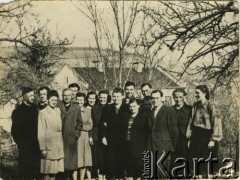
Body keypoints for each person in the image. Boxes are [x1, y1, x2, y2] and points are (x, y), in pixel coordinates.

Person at [186, 85, 222, 178]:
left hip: (207, 135)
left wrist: (213, 139)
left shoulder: (211, 105)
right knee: (195, 161)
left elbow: (216, 122)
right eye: (195, 92)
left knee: (206, 161)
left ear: (204, 93)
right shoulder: (195, 105)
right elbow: (191, 121)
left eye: (198, 93)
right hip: (196, 136)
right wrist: (189, 136)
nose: (195, 94)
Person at [11, 87, 41, 179]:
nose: (33, 97)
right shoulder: (18, 111)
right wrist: (21, 144)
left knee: (36, 170)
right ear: (24, 97)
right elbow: (14, 131)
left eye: (33, 95)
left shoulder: (35, 109)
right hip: (25, 147)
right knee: (26, 171)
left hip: (36, 145)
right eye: (31, 95)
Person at [101, 87, 130, 179]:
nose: (116, 98)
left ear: (122, 96)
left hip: (123, 141)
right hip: (111, 140)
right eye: (114, 96)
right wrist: (104, 137)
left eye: (118, 96)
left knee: (121, 163)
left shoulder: (127, 108)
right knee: (111, 163)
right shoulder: (108, 108)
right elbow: (103, 124)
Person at [149, 90, 179, 179]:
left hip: (164, 146)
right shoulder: (151, 111)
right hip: (153, 146)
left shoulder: (169, 110)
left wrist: (171, 146)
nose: (155, 100)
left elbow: (174, 131)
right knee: (155, 171)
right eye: (153, 98)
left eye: (157, 98)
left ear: (162, 98)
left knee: (162, 171)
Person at [38, 90, 64, 180]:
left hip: (58, 144)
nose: (54, 102)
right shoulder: (43, 112)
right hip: (48, 145)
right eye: (52, 100)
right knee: (47, 172)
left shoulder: (58, 110)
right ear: (48, 99)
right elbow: (41, 132)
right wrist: (43, 148)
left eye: (56, 100)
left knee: (54, 172)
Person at [58, 88, 83, 180]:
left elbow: (80, 123)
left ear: (72, 96)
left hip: (71, 139)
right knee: (60, 165)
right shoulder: (58, 105)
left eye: (69, 95)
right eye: (65, 95)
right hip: (60, 139)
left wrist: (76, 134)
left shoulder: (76, 107)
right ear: (62, 96)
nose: (67, 97)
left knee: (70, 165)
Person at [121, 98, 149, 179]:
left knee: (139, 170)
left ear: (138, 106)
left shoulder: (144, 116)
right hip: (128, 145)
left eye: (134, 106)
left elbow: (147, 132)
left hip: (139, 147)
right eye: (130, 106)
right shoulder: (126, 116)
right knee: (129, 169)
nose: (132, 108)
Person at [90, 90, 111, 179]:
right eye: (101, 97)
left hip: (107, 135)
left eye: (104, 97)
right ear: (98, 97)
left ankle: (105, 175)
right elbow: (95, 121)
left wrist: (108, 123)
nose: (102, 99)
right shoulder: (94, 108)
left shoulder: (110, 107)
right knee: (96, 158)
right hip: (96, 134)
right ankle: (97, 175)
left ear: (107, 98)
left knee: (106, 156)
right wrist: (90, 135)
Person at [171, 88, 192, 178]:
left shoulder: (190, 109)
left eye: (180, 97)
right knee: (174, 164)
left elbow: (193, 125)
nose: (178, 99)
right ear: (173, 98)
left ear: (184, 97)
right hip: (173, 141)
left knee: (186, 163)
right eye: (176, 97)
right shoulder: (170, 110)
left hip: (185, 141)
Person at [75, 92, 93, 180]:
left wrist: (80, 127)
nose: (79, 102)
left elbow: (90, 125)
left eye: (81, 100)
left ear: (84, 100)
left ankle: (81, 178)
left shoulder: (88, 111)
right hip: (75, 137)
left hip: (84, 137)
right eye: (77, 100)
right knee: (76, 160)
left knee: (84, 160)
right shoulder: (73, 110)